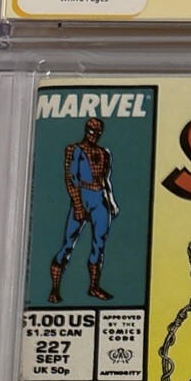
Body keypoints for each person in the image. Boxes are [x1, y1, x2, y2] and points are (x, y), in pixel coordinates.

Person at [49, 116, 118, 302]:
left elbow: (106, 180)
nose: (94, 135)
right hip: (83, 196)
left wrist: (111, 202)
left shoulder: (104, 153)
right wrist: (78, 205)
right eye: (91, 131)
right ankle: (55, 289)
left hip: (100, 199)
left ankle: (94, 287)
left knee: (99, 245)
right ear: (86, 130)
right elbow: (71, 178)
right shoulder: (74, 149)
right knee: (68, 244)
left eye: (98, 132)